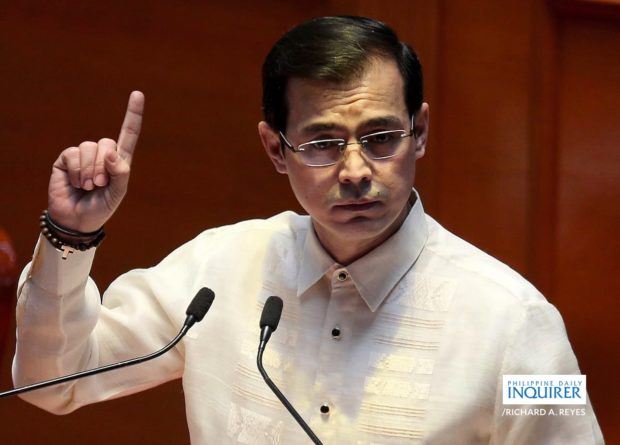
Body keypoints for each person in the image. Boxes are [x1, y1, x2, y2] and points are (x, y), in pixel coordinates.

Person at [13, 16, 603, 445]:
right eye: (322, 144)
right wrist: (71, 236)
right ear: (275, 148)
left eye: (381, 138)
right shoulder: (217, 272)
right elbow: (54, 383)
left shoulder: (516, 322)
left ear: (419, 133)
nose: (355, 172)